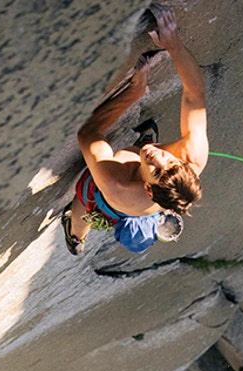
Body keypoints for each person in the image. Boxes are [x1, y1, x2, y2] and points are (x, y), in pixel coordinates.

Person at [62, 3, 209, 256]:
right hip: (156, 192)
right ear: (185, 165)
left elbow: (88, 133)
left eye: (155, 169)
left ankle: (75, 236)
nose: (158, 155)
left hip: (109, 204)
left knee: (84, 207)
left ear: (149, 189)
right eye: (170, 162)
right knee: (148, 153)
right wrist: (173, 45)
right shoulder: (192, 155)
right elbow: (194, 94)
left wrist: (133, 92)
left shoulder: (116, 184)